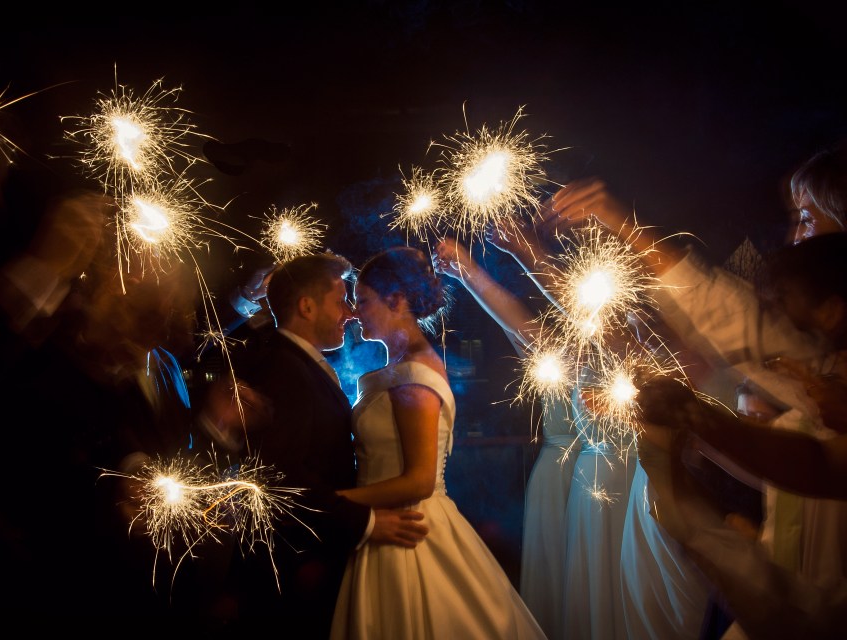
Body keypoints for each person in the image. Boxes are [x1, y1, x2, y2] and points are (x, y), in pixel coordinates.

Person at [545, 144, 847, 639]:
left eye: (807, 219)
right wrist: (688, 422)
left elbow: (735, 323)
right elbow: (803, 461)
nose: (794, 238)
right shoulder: (817, 392)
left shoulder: (814, 378)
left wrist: (692, 499)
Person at [329, 246, 546, 639]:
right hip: (384, 524)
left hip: (409, 527)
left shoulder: (415, 373)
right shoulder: (399, 367)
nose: (355, 312)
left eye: (363, 300)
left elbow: (419, 481)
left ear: (396, 300)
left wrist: (333, 502)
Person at [212, 252, 429, 639]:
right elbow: (282, 478)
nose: (350, 313)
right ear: (307, 307)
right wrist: (365, 522)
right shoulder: (284, 369)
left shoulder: (297, 362)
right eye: (341, 300)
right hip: (296, 566)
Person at [432, 234, 579, 639]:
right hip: (559, 479)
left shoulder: (628, 352)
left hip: (607, 480)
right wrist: (467, 270)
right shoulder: (555, 350)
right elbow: (511, 317)